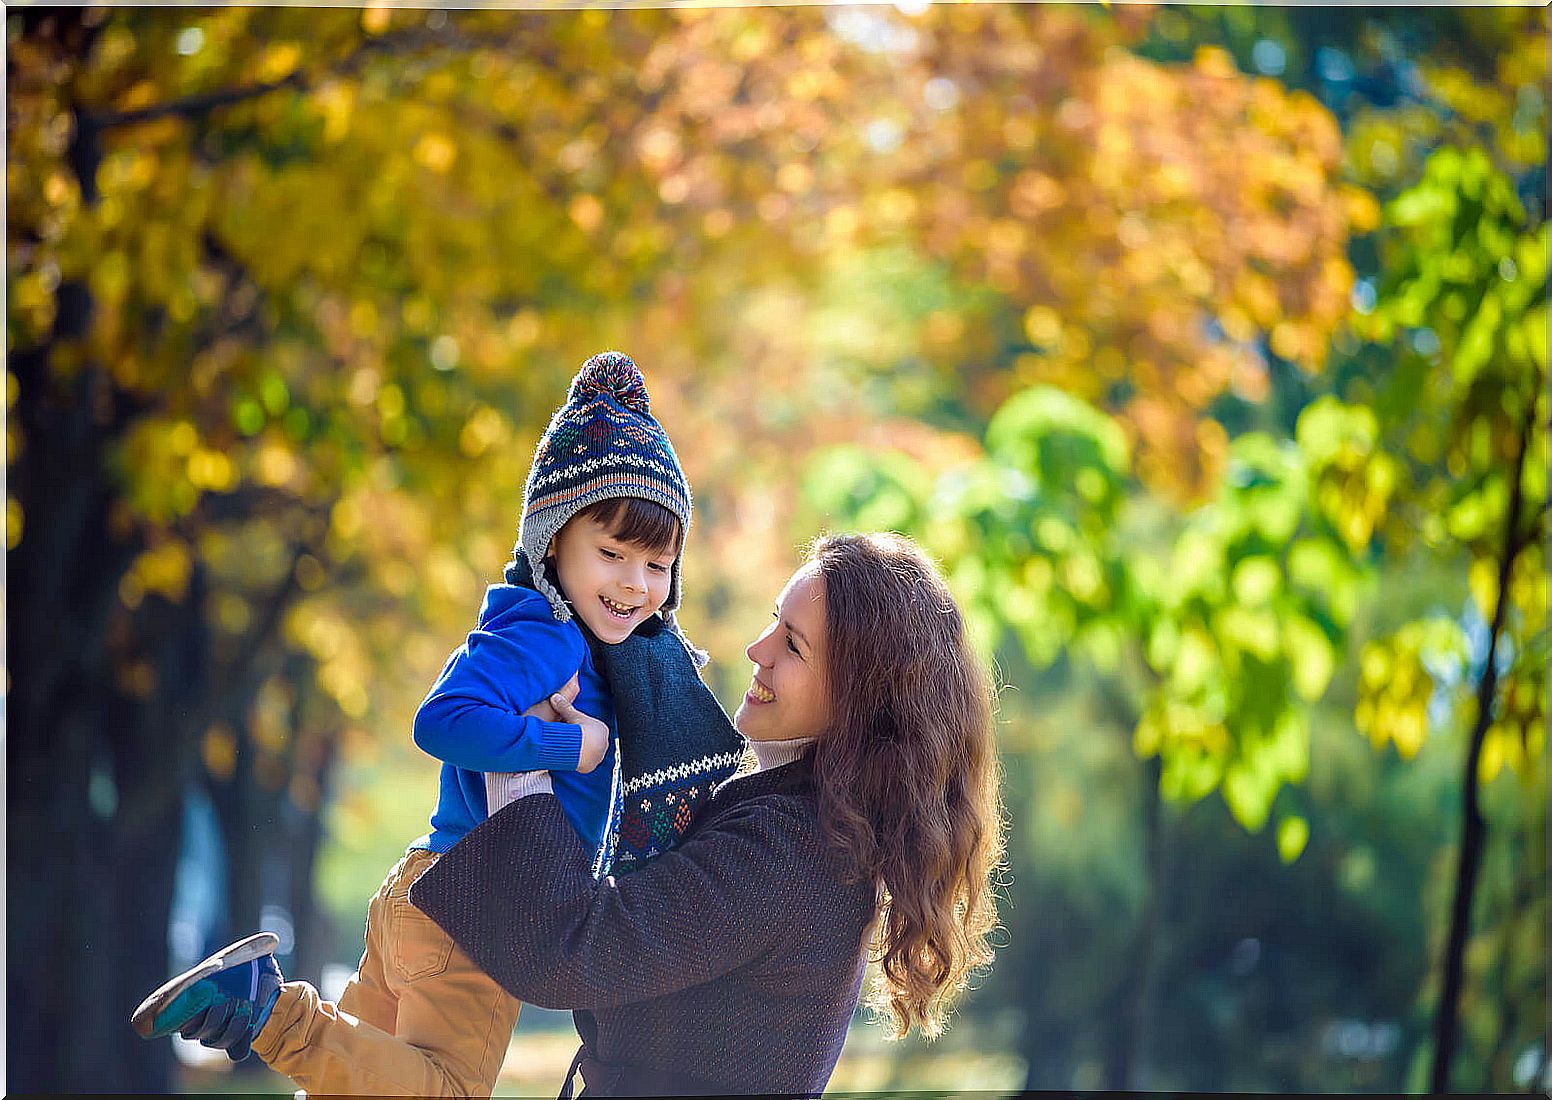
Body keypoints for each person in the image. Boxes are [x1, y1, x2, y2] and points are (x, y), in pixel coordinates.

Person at [131, 351, 742, 1095]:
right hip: (473, 911)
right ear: (552, 542)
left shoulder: (554, 634)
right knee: (446, 1089)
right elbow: (443, 720)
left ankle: (265, 1010)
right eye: (611, 554)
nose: (634, 584)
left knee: (350, 1087)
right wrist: (572, 744)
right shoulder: (548, 639)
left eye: (658, 564)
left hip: (428, 888)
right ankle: (264, 1008)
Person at [410, 532, 1007, 1097]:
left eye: (793, 644)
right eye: (775, 618)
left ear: (859, 700)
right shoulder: (795, 816)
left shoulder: (790, 850)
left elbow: (574, 953)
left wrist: (522, 760)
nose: (758, 649)